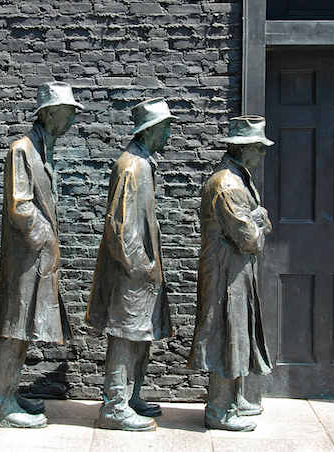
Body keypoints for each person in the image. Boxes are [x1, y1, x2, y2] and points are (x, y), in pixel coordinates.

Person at [0, 82, 83, 428]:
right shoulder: (22, 150)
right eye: (68, 113)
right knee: (14, 329)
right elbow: (20, 205)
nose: (72, 121)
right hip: (25, 259)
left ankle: (8, 393)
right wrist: (47, 240)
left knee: (24, 330)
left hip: (37, 260)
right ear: (51, 113)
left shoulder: (44, 149)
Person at [85, 98, 176, 432]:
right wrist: (140, 267)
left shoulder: (142, 163)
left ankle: (131, 395)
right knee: (124, 336)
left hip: (141, 273)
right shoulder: (131, 166)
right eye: (165, 127)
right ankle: (114, 405)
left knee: (141, 335)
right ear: (150, 130)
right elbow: (120, 227)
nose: (169, 134)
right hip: (131, 273)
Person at [189, 115, 274, 431]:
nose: (262, 154)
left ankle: (234, 400)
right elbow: (250, 237)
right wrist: (260, 222)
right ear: (244, 148)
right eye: (259, 148)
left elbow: (253, 225)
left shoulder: (239, 177)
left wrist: (257, 221)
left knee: (238, 334)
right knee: (226, 336)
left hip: (236, 271)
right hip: (225, 273)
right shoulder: (227, 184)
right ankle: (219, 410)